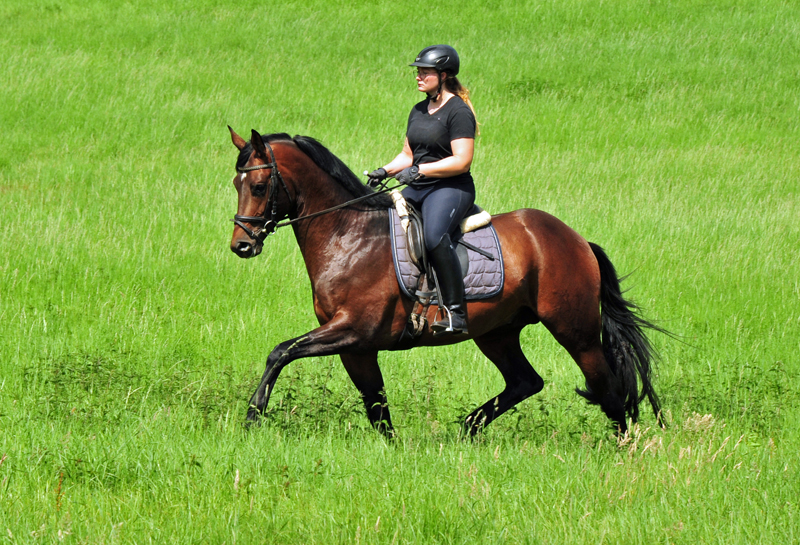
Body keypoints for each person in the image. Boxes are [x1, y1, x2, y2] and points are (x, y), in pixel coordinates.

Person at [368, 44, 478, 336]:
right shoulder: (419, 110)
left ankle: (456, 313)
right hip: (417, 186)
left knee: (432, 237)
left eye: (424, 72)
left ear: (443, 75)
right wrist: (384, 170)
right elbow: (408, 154)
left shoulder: (458, 111)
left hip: (450, 188)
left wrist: (421, 170)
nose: (418, 76)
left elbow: (462, 161)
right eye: (417, 71)